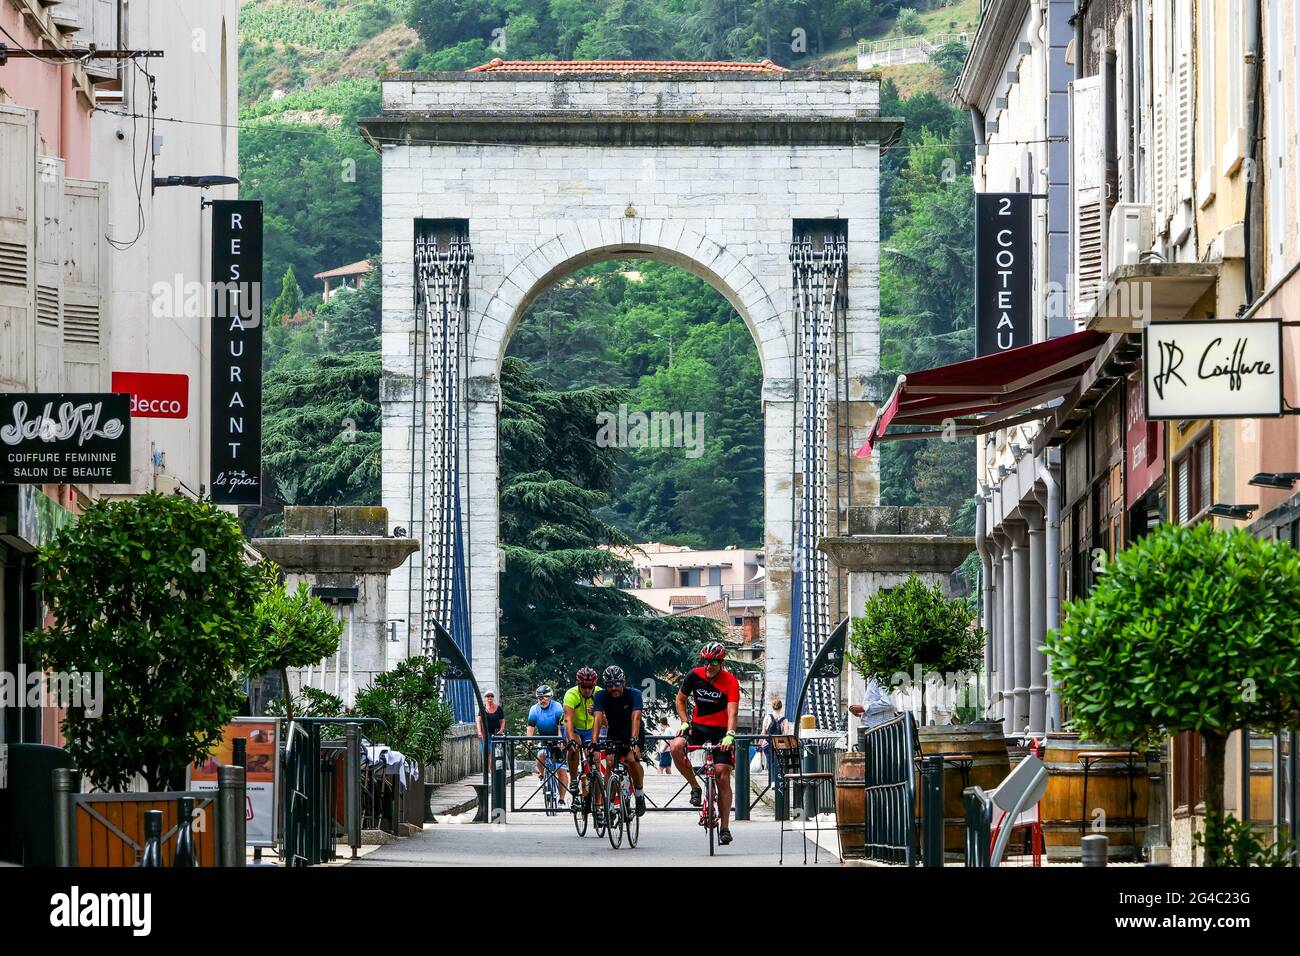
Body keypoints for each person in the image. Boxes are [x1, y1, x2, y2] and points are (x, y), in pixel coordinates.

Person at [669, 642, 740, 845]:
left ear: (722, 663)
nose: (709, 666)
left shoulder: (730, 681)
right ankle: (695, 787)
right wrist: (684, 721)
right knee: (675, 747)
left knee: (722, 775)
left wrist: (730, 734)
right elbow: (680, 700)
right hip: (697, 728)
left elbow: (732, 712)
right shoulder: (694, 675)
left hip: (721, 732)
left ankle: (725, 827)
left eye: (714, 663)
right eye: (706, 662)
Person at [590, 665, 647, 816]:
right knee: (609, 762)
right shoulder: (601, 696)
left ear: (624, 682)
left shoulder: (634, 694)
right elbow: (597, 718)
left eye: (617, 684)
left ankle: (639, 793)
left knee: (631, 759)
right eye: (609, 685)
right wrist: (594, 741)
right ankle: (609, 801)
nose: (614, 688)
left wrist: (634, 740)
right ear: (605, 685)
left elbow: (636, 717)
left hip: (633, 731)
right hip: (614, 732)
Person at [562, 667, 601, 806]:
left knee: (596, 760)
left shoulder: (599, 693)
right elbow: (567, 720)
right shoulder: (571, 694)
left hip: (591, 729)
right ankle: (573, 779)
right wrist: (571, 738)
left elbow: (606, 719)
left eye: (590, 687)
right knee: (574, 747)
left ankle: (598, 805)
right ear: (579, 684)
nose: (587, 690)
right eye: (584, 687)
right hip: (574, 728)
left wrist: (597, 712)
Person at [527, 684, 569, 805]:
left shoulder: (557, 707)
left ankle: (561, 799)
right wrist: (529, 741)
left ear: (550, 697)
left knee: (561, 770)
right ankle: (541, 776)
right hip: (544, 737)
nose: (542, 700)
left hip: (558, 737)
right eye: (540, 698)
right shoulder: (534, 709)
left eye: (545, 697)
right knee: (541, 755)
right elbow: (531, 726)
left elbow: (560, 726)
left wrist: (561, 740)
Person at [760, 699, 790, 785]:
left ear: (772, 707)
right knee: (778, 762)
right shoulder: (784, 720)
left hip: (767, 744)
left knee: (770, 762)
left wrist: (759, 744)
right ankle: (778, 781)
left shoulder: (767, 717)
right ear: (781, 707)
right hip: (778, 744)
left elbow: (763, 732)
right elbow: (785, 733)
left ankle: (772, 781)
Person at [476, 690, 506, 758]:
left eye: (491, 696)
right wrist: (479, 732)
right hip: (485, 734)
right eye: (488, 696)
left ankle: (493, 768)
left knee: (495, 752)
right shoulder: (482, 708)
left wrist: (501, 730)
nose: (490, 697)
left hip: (496, 734)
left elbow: (502, 720)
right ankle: (488, 768)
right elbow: (478, 720)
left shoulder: (499, 708)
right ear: (485, 697)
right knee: (487, 752)